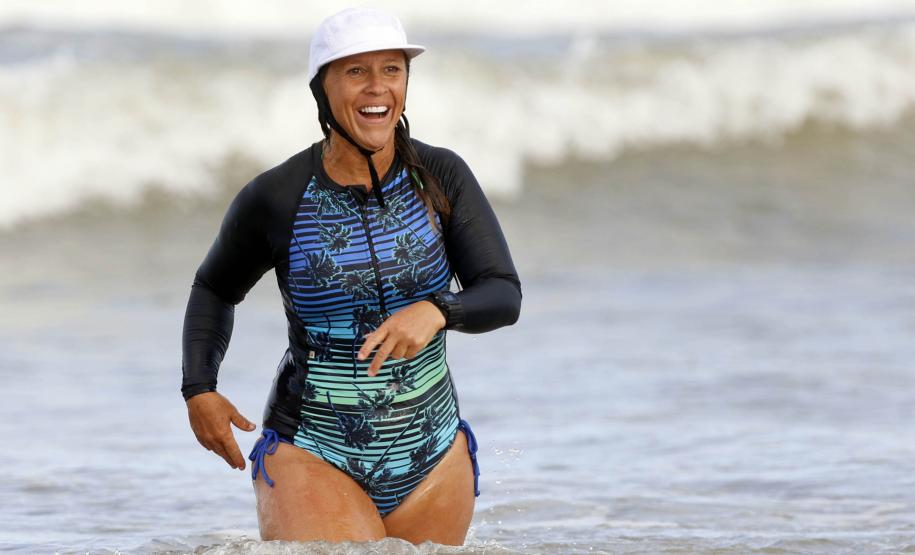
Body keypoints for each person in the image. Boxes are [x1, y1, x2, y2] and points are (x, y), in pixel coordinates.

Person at [180, 7, 521, 546]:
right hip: (312, 448)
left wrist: (438, 311)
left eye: (392, 69)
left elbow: (503, 293)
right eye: (356, 72)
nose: (377, 88)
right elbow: (215, 288)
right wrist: (200, 388)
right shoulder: (278, 197)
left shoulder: (442, 177)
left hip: (431, 453)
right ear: (323, 88)